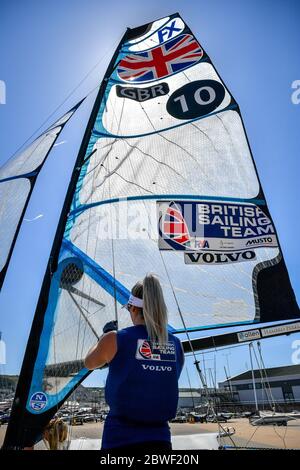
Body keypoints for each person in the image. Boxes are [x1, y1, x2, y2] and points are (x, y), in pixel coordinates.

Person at [84, 273, 184, 451]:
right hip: (160, 440)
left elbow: (89, 363)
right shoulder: (176, 345)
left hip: (120, 440)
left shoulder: (114, 339)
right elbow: (161, 380)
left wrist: (104, 336)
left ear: (132, 308)